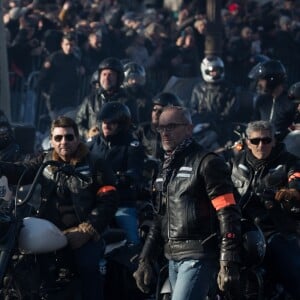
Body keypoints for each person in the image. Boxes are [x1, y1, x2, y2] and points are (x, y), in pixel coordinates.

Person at [0, 116, 119, 300]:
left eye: (69, 137)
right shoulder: (45, 160)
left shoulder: (95, 163)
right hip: (49, 232)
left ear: (77, 138)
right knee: (24, 264)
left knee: (87, 266)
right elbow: (21, 171)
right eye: (58, 138)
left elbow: (108, 200)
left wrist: (87, 230)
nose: (64, 142)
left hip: (82, 233)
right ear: (52, 140)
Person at [133, 106, 242, 300]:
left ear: (189, 128)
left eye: (172, 126)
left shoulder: (207, 162)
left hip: (199, 255)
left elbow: (228, 213)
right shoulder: (164, 168)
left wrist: (228, 260)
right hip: (172, 258)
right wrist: (145, 259)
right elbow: (159, 219)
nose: (165, 133)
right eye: (161, 128)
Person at [230, 120, 300, 299]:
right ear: (247, 143)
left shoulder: (289, 162)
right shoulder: (235, 162)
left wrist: (291, 193)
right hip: (240, 231)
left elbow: (296, 179)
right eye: (255, 141)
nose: (261, 145)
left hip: (275, 230)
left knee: (294, 274)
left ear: (274, 141)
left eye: (266, 140)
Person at [88, 102, 146, 245]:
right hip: (94, 203)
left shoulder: (132, 146)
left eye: (112, 122)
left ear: (122, 124)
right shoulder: (91, 144)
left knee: (132, 241)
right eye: (104, 121)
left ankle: (136, 264)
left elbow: (135, 172)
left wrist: (122, 178)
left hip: (121, 202)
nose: (106, 125)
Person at [76, 56, 138, 140]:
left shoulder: (128, 101)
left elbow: (134, 126)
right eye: (104, 74)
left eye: (110, 74)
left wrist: (117, 132)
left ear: (118, 77)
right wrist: (87, 133)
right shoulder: (90, 100)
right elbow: (77, 123)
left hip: (119, 146)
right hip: (94, 146)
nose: (106, 78)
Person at [190, 55, 239, 146]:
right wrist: (200, 121)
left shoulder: (228, 88)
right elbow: (193, 108)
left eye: (217, 70)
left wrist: (214, 121)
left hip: (222, 127)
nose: (215, 73)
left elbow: (231, 111)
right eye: (212, 71)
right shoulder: (198, 88)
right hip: (201, 125)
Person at [37, 32, 84, 118]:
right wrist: (47, 93)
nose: (69, 47)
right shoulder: (54, 58)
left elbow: (77, 80)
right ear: (62, 44)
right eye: (67, 44)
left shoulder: (75, 61)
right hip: (54, 97)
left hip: (69, 98)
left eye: (71, 45)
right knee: (55, 122)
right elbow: (43, 76)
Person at [251, 59, 296, 141]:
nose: (259, 84)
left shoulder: (291, 101)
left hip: (285, 147)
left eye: (262, 80)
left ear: (272, 79)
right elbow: (254, 124)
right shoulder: (261, 101)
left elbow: (296, 128)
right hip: (263, 145)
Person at [135, 92, 183, 161]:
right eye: (154, 110)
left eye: (161, 111)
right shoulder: (142, 130)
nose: (156, 113)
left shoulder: (178, 135)